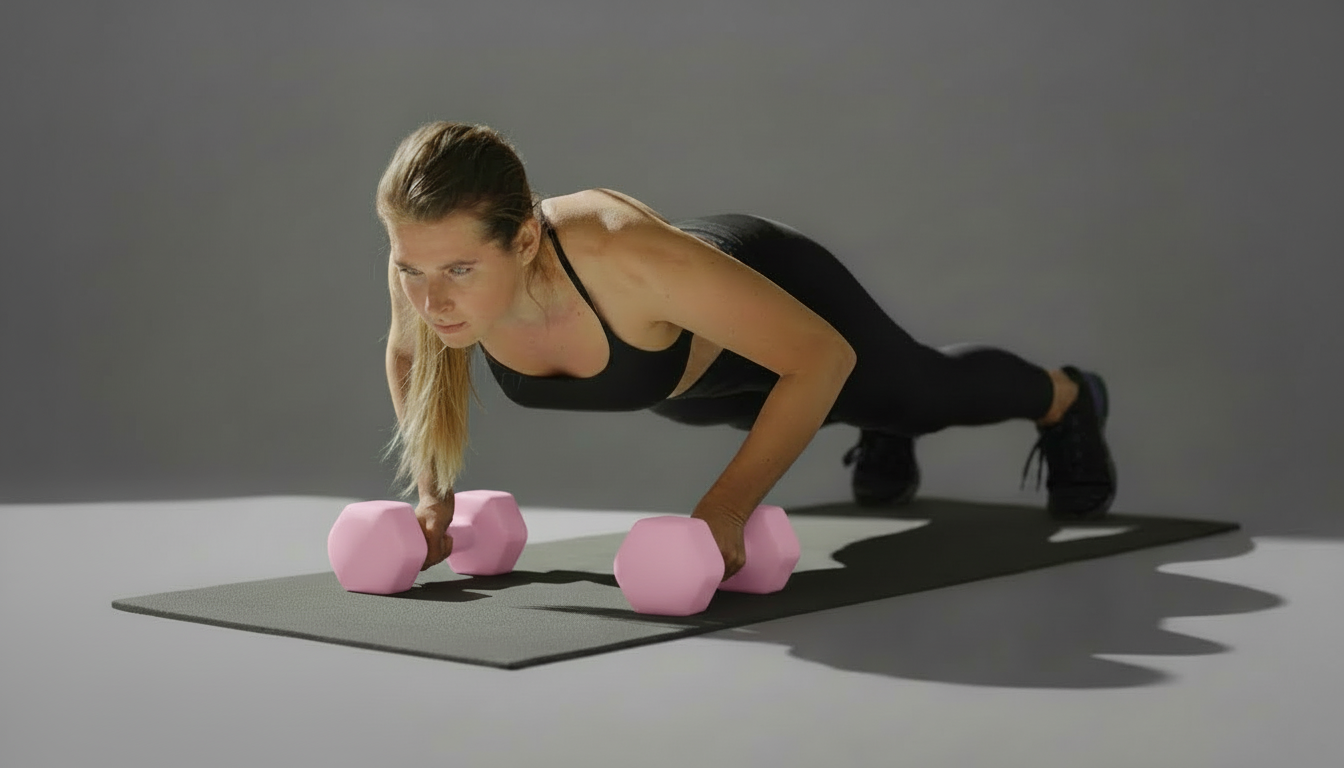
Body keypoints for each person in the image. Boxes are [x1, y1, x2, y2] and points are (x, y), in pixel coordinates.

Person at [377, 122, 1117, 579]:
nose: (431, 300)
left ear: (528, 239)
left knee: (917, 397)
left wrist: (726, 509)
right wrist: (433, 499)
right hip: (695, 388)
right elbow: (412, 357)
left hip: (777, 298)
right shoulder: (427, 258)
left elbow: (821, 357)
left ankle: (1070, 398)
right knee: (736, 416)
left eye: (460, 272)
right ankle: (875, 427)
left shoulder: (624, 254)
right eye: (413, 270)